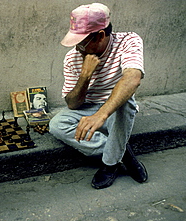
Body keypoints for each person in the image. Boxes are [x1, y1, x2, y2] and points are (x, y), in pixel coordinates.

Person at [49, 3, 148, 189]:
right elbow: (72, 104)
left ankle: (110, 165)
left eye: (81, 42)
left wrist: (100, 116)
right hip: (87, 108)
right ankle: (122, 153)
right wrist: (84, 77)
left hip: (115, 110)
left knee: (126, 101)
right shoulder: (72, 58)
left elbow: (133, 78)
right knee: (56, 125)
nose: (78, 48)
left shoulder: (128, 41)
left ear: (100, 35)